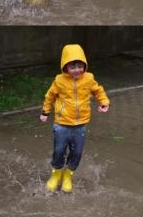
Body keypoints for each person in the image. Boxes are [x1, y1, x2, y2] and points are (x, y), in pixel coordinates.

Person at [40, 44, 110, 193]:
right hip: (62, 124)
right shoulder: (59, 81)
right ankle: (56, 173)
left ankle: (68, 175)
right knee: (59, 150)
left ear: (84, 65)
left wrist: (104, 102)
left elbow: (98, 90)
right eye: (72, 66)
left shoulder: (89, 78)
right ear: (65, 67)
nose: (77, 69)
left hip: (80, 124)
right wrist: (45, 112)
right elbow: (50, 96)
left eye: (80, 66)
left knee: (77, 152)